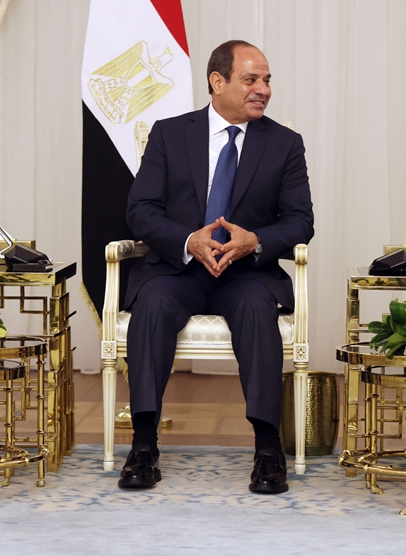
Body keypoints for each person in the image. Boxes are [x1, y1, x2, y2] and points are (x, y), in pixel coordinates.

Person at [119, 40, 314, 493]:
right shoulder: (170, 134)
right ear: (218, 81)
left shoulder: (284, 144)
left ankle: (268, 449)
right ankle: (144, 444)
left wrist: (256, 241)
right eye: (251, 79)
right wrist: (188, 240)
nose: (263, 89)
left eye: (267, 80)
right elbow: (141, 210)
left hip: (246, 273)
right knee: (152, 303)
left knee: (254, 309)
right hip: (177, 268)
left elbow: (301, 221)